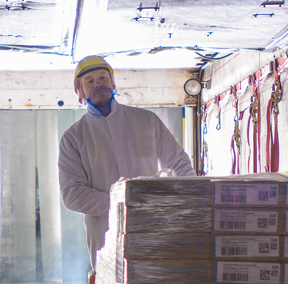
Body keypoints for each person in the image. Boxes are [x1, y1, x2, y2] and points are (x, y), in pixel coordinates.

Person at [58, 55, 196, 267]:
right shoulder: (73, 137)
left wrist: (189, 201)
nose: (98, 84)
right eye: (89, 81)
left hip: (152, 226)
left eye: (103, 78)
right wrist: (122, 204)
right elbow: (72, 194)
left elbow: (179, 164)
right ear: (79, 93)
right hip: (105, 233)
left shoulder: (146, 120)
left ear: (113, 83)